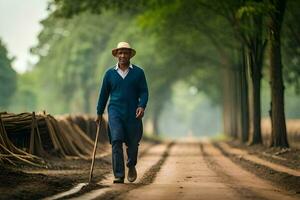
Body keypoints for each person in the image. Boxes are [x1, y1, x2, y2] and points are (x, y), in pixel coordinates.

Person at [95, 42, 149, 184]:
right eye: (120, 53)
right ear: (116, 55)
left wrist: (141, 106)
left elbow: (144, 92)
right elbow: (103, 94)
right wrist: (99, 112)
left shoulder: (138, 73)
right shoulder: (109, 74)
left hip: (132, 112)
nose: (123, 55)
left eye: (126, 52)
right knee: (116, 140)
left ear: (130, 54)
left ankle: (131, 165)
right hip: (115, 111)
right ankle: (119, 174)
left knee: (133, 143)